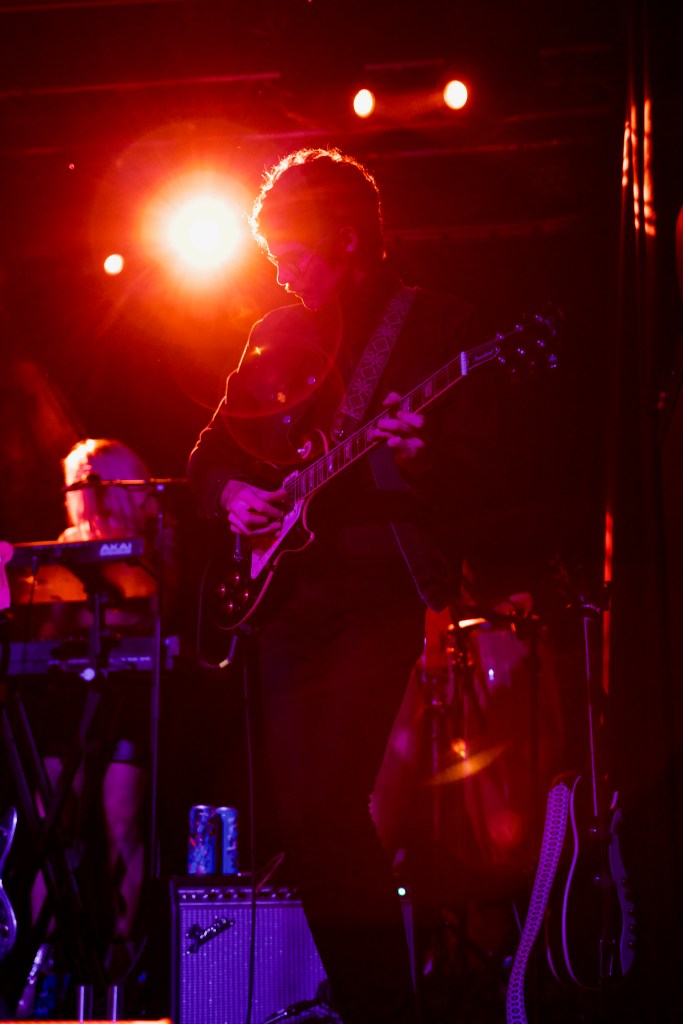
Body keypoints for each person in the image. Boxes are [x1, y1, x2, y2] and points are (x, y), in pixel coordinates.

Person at [187, 148, 498, 1024]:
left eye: (292, 250)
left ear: (348, 238)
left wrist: (418, 457)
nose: (279, 269)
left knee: (330, 804)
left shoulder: (438, 324)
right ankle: (368, 1000)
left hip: (375, 585)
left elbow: (482, 472)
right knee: (302, 820)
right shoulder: (275, 334)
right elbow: (209, 455)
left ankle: (382, 1006)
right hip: (285, 600)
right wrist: (233, 494)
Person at [23, 438, 178, 996]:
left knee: (120, 824)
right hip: (64, 701)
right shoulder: (63, 547)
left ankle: (122, 962)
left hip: (126, 699)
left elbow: (162, 612)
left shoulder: (154, 540)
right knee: (50, 827)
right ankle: (44, 962)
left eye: (96, 472)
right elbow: (43, 629)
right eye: (78, 474)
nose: (85, 482)